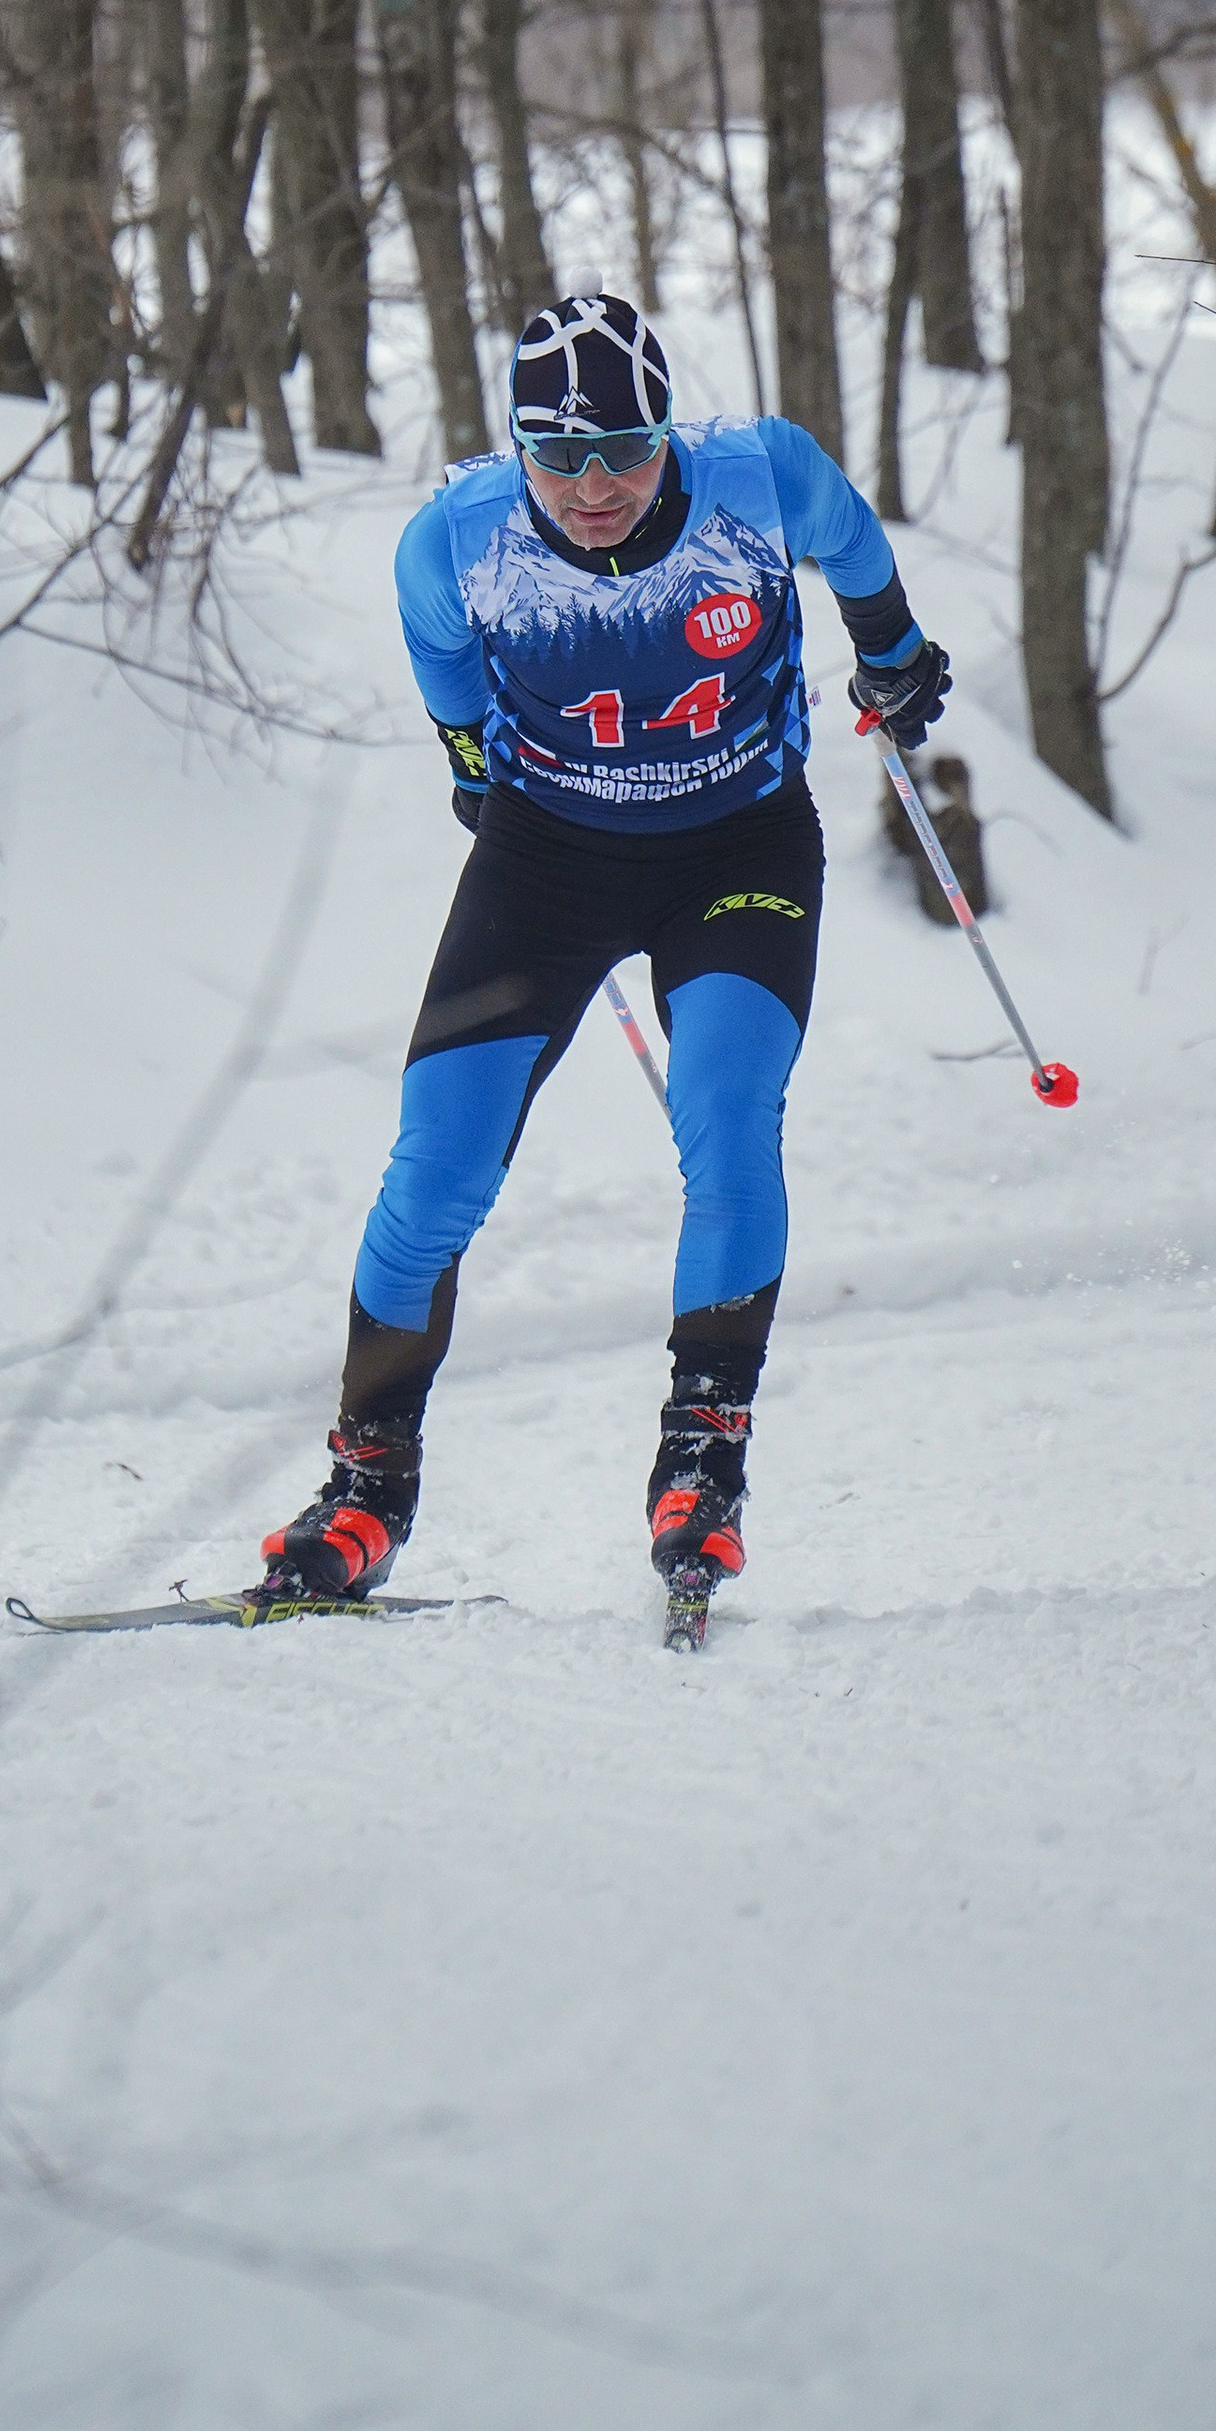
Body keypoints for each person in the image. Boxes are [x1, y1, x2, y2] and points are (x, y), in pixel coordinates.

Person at [256, 293, 950, 1611]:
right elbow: (443, 664)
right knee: (435, 1173)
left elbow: (854, 543)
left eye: (623, 452)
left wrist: (894, 654)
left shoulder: (758, 479)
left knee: (728, 1124)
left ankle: (704, 1459)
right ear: (515, 449)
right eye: (558, 459)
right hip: (548, 865)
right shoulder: (456, 536)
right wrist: (473, 767)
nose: (592, 490)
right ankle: (366, 1486)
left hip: (736, 853)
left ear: (667, 429)